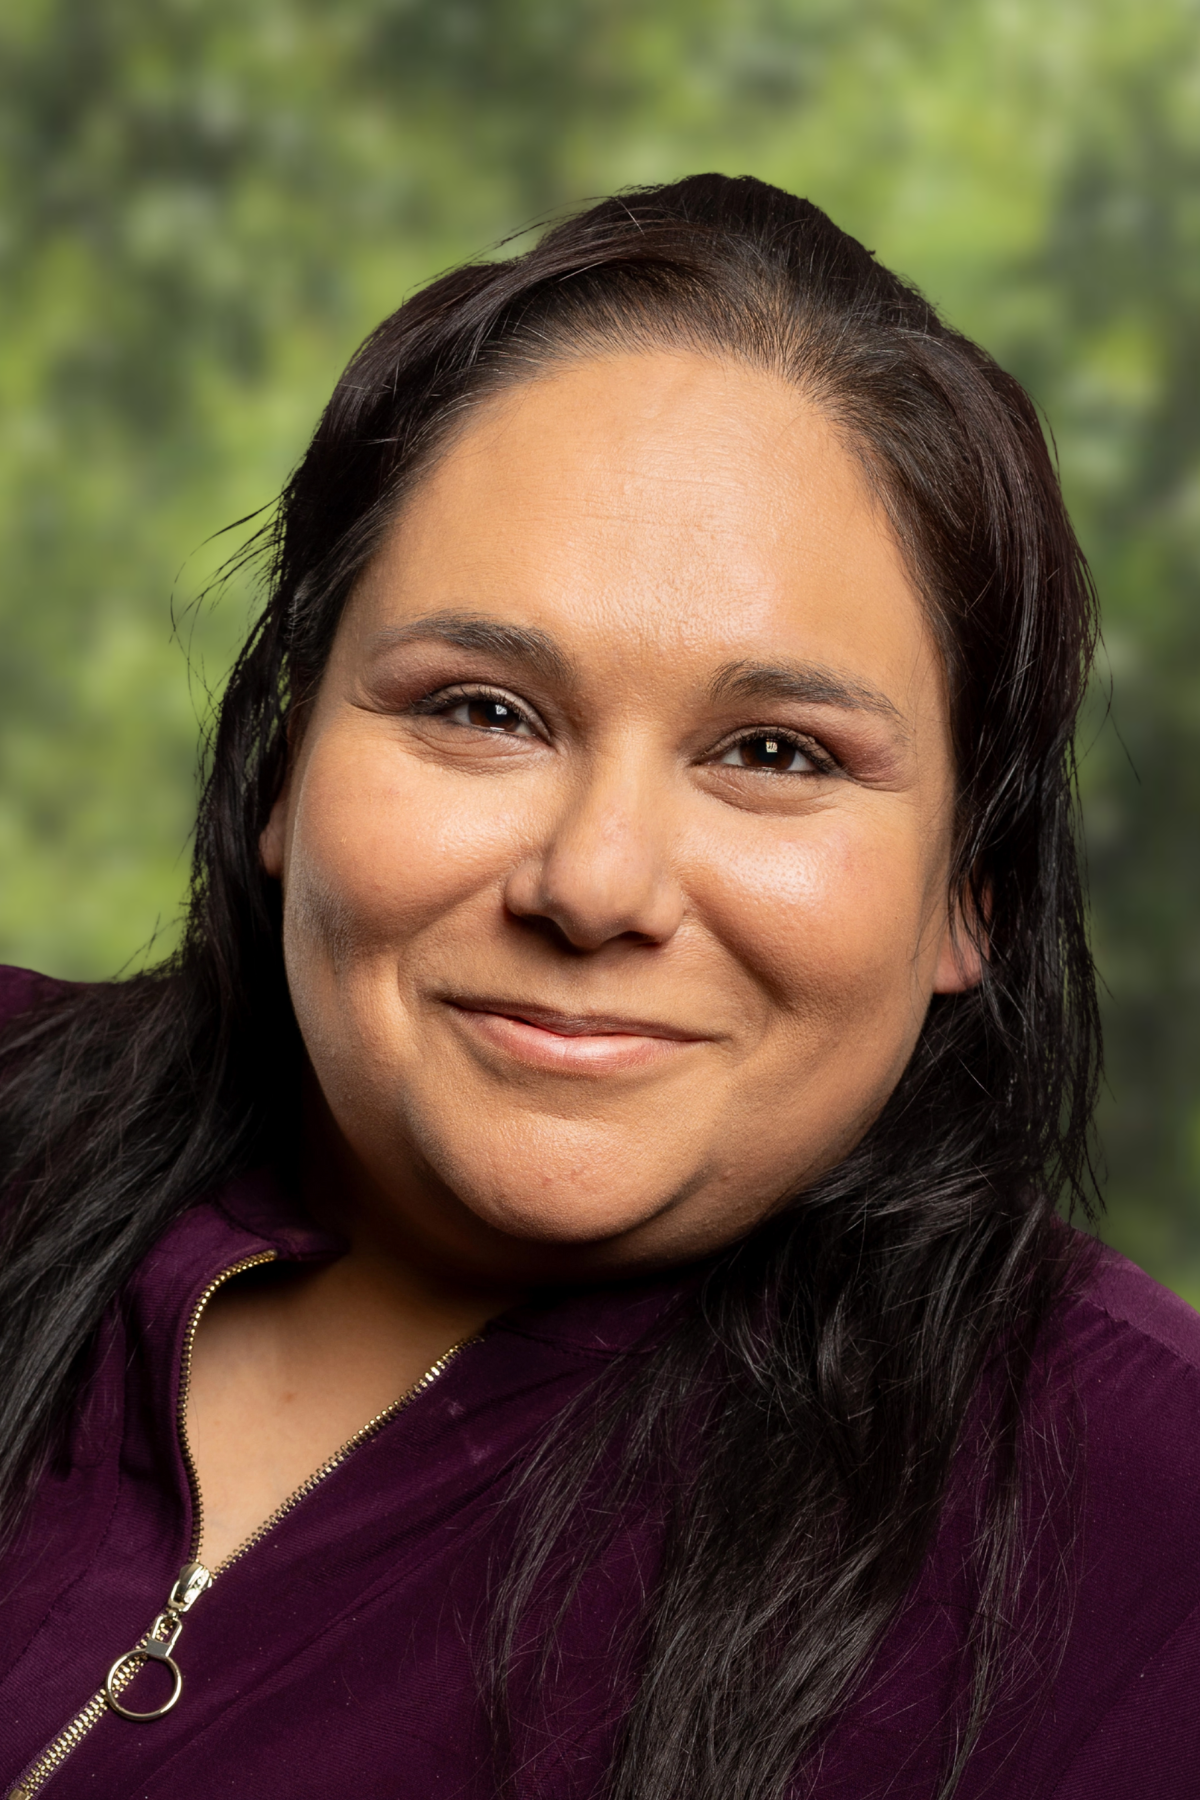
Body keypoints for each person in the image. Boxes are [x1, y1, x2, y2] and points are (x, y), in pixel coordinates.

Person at [0, 173, 1197, 1800]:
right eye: (483, 710)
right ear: (285, 763)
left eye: (775, 753)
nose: (595, 884)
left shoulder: (1151, 1539)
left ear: (966, 892)